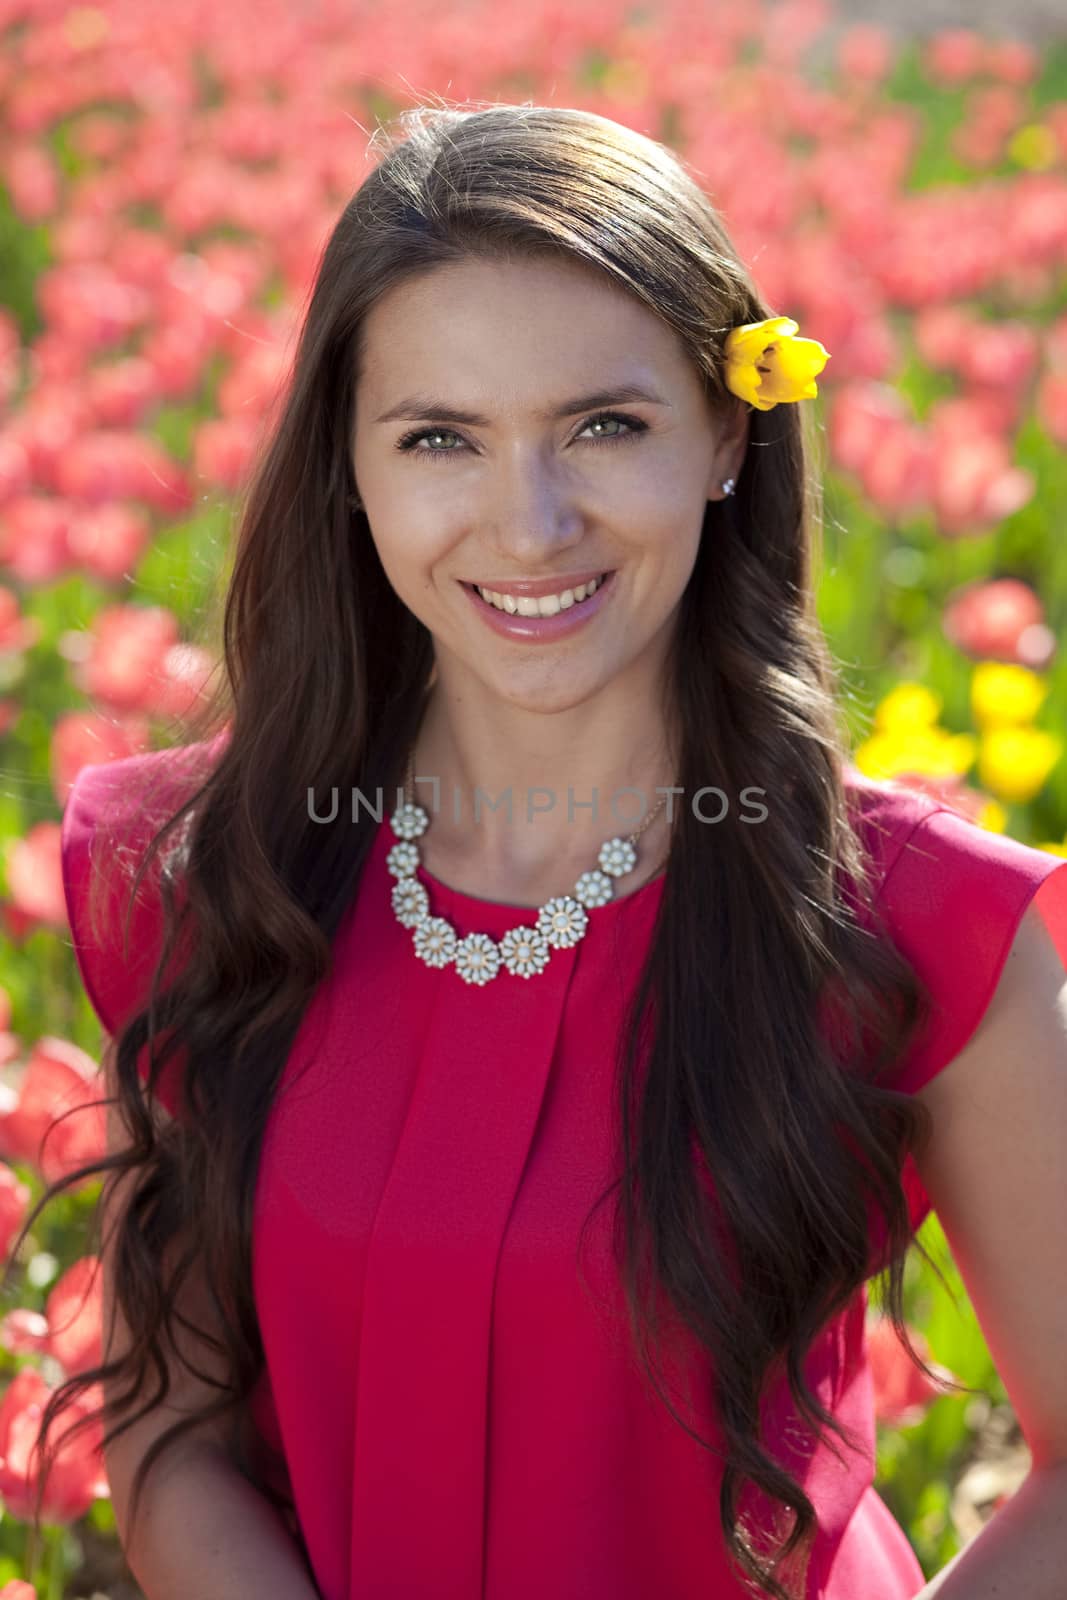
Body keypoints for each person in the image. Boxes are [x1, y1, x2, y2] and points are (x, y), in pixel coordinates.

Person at [27, 102, 1067, 1600]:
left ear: (725, 431)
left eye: (604, 426)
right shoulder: (206, 878)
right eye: (441, 436)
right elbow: (171, 1436)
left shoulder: (920, 929)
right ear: (350, 467)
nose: (529, 524)